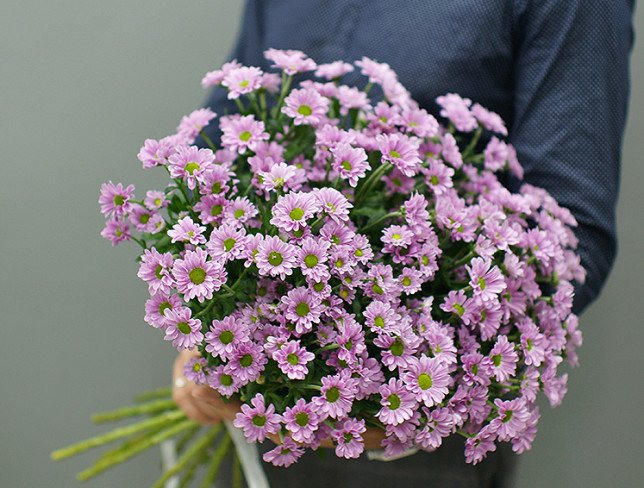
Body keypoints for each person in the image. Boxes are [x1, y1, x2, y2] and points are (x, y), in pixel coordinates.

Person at [173, 1, 635, 486]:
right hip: (247, 405)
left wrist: (402, 388)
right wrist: (208, 326)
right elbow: (224, 123)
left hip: (412, 440)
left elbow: (571, 236)